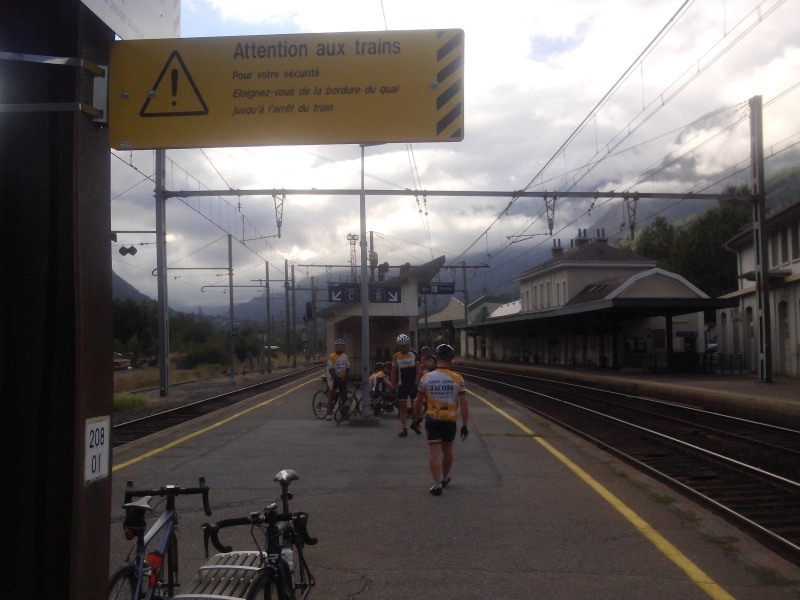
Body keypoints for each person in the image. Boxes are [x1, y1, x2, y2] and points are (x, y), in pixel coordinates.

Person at [412, 344, 469, 496]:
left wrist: (417, 418)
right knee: (447, 450)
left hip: (433, 419)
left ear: (436, 358)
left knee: (434, 452)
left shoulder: (426, 378)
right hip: (449, 420)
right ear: (451, 359)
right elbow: (463, 403)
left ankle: (437, 484)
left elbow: (418, 402)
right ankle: (445, 477)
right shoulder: (457, 378)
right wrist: (465, 425)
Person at [389, 333, 420, 437]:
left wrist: (416, 384)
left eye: (405, 345)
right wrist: (393, 386)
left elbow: (418, 370)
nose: (403, 348)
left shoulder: (414, 354)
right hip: (402, 385)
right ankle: (404, 428)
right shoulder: (396, 357)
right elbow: (393, 372)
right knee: (403, 407)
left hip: (413, 384)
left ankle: (414, 424)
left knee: (415, 407)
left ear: (409, 345)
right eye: (401, 346)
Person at [326, 338, 350, 421]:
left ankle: (344, 413)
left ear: (343, 347)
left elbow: (347, 368)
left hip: (342, 378)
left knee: (344, 396)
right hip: (332, 378)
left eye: (341, 346)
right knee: (331, 395)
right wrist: (336, 377)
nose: (339, 347)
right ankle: (328, 413)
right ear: (335, 347)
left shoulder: (345, 356)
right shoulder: (331, 356)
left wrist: (347, 376)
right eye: (338, 346)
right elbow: (331, 369)